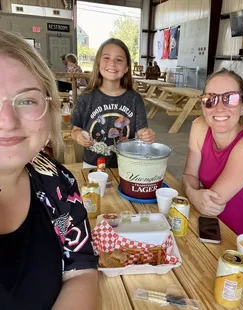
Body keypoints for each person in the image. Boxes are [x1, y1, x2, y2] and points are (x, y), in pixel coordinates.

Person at [0, 31, 98, 309]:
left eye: (27, 100)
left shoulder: (57, 182)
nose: (7, 121)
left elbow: (81, 270)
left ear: (50, 110)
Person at [182, 68, 243, 235]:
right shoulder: (199, 126)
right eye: (210, 99)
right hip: (206, 228)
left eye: (231, 99)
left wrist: (192, 193)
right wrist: (193, 194)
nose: (219, 108)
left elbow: (211, 203)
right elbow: (189, 176)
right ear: (203, 105)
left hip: (239, 243)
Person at [70, 38, 155, 168]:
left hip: (127, 164)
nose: (112, 64)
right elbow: (75, 130)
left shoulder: (135, 98)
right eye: (106, 58)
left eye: (119, 60)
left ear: (126, 68)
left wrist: (147, 134)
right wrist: (78, 136)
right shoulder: (86, 97)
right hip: (92, 165)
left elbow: (141, 131)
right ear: (98, 63)